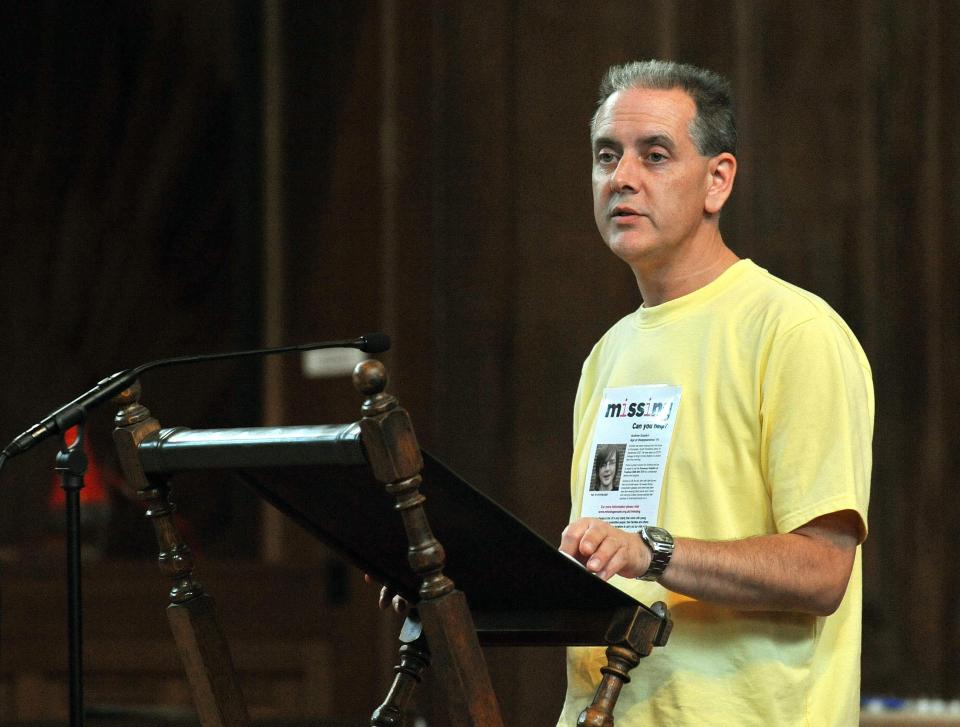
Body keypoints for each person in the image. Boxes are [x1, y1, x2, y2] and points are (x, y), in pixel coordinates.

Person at [556, 60, 873, 726]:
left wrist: (655, 551)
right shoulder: (606, 355)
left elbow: (823, 569)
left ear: (717, 180)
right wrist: (456, 583)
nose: (622, 178)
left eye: (655, 155)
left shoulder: (792, 329)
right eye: (606, 156)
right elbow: (606, 565)